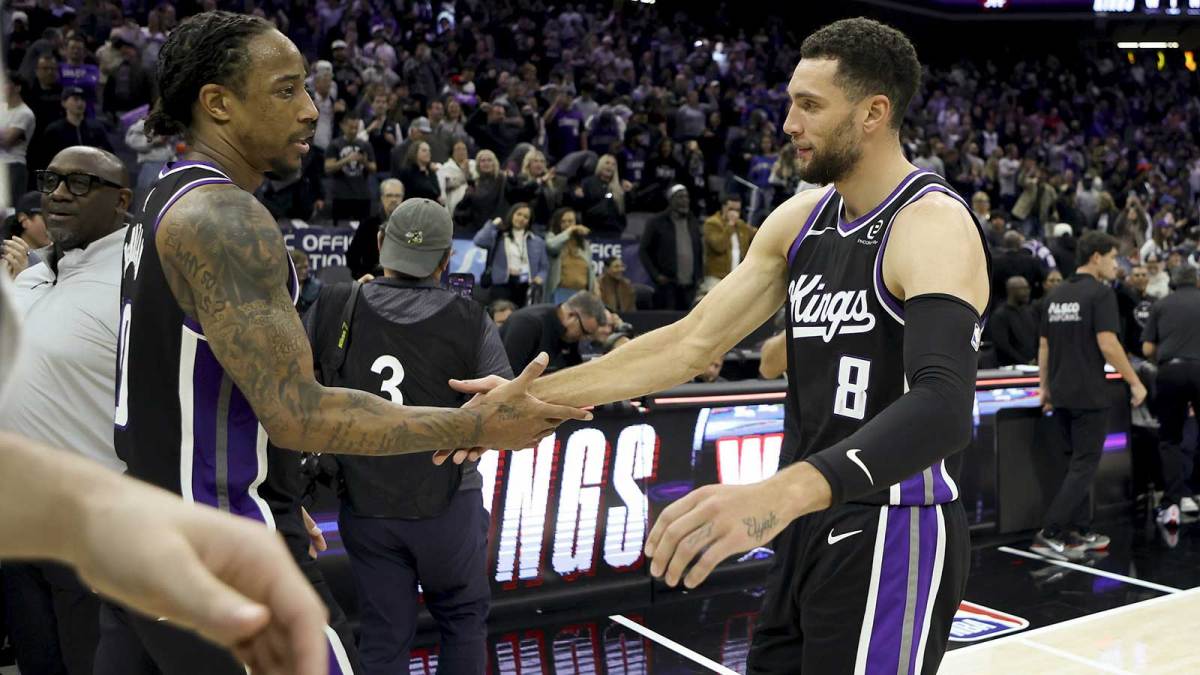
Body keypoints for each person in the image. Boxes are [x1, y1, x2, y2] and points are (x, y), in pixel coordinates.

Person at [449, 19, 990, 674]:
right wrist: (527, 401)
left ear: (875, 113)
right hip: (805, 518)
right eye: (792, 101)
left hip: (891, 524)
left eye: (810, 105)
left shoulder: (931, 223)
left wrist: (780, 493)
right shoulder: (801, 220)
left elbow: (944, 406)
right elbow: (688, 343)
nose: (788, 122)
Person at [109, 12, 588, 674]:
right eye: (287, 89)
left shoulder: (160, 193)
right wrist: (480, 422)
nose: (311, 110)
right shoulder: (223, 216)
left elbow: (192, 380)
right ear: (217, 102)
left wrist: (275, 489)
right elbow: (298, 411)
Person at [305, 199, 508, 674]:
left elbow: (287, 393)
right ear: (447, 260)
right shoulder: (471, 317)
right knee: (461, 619)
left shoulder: (334, 303)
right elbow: (503, 409)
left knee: (385, 633)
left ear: (380, 244)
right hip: (449, 503)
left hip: (365, 504)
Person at [0, 147, 130, 675]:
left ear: (121, 200)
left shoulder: (139, 282)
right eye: (51, 180)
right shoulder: (29, 277)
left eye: (79, 183)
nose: (56, 194)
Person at [1036, 231, 1146, 561]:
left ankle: (1080, 530)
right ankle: (1050, 532)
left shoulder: (1055, 295)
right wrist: (1135, 381)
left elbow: (1044, 347)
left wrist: (1045, 387)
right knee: (1084, 466)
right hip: (1089, 392)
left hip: (1061, 392)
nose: (1116, 264)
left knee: (1075, 465)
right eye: (1113, 257)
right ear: (1096, 257)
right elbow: (1108, 343)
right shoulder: (1100, 293)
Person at [1142, 264, 1200, 526]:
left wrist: (1164, 359)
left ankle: (1173, 503)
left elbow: (1147, 348)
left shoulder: (1160, 305)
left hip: (1171, 372)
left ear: (1173, 283)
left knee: (1170, 439)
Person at [500, 290, 609, 373]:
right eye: (584, 332)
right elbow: (507, 376)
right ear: (571, 316)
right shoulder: (527, 325)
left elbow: (575, 374)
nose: (583, 338)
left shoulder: (569, 335)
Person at [640, 184, 703, 310]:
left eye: (687, 197)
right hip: (667, 285)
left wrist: (699, 275)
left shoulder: (693, 222)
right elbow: (643, 251)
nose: (685, 200)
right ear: (671, 200)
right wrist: (656, 275)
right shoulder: (656, 222)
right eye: (680, 197)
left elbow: (699, 251)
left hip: (690, 286)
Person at [474, 202, 548, 306]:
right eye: (519, 214)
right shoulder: (499, 236)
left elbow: (544, 267)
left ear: (529, 221)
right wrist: (493, 224)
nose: (521, 218)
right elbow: (478, 241)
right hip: (501, 285)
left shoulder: (538, 241)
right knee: (499, 317)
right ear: (512, 214)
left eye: (526, 217)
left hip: (526, 287)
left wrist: (540, 278)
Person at [326, 111, 376, 225]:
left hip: (362, 196)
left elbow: (374, 168)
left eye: (356, 127)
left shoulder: (365, 145)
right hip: (341, 196)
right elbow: (328, 168)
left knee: (364, 231)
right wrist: (347, 160)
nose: (354, 130)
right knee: (339, 230)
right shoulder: (335, 145)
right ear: (343, 126)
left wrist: (364, 161)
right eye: (351, 127)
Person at [346, 178, 403, 279]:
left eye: (397, 195)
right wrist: (362, 276)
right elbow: (352, 256)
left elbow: (417, 246)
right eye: (389, 195)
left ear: (402, 198)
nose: (394, 199)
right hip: (374, 279)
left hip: (403, 279)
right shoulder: (367, 225)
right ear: (382, 198)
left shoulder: (411, 225)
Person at [701, 194, 756, 294]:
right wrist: (730, 225)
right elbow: (719, 246)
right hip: (716, 278)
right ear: (723, 207)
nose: (734, 213)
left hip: (736, 278)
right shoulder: (712, 223)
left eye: (737, 210)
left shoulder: (740, 224)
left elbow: (757, 234)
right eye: (731, 209)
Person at [41, 87, 113, 162]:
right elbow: (46, 159)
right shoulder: (54, 130)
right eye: (75, 99)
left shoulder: (96, 128)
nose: (80, 103)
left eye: (82, 99)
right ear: (63, 103)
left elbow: (109, 155)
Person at [544, 207, 594, 304]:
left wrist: (594, 288)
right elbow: (551, 246)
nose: (567, 224)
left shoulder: (583, 243)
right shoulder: (553, 237)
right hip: (560, 290)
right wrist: (570, 230)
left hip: (581, 292)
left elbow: (589, 268)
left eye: (570, 221)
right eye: (563, 221)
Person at [1, 71, 36, 202]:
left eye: (5, 83)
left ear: (17, 87)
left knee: (10, 208)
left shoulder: (25, 113)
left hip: (14, 165)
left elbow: (7, 141)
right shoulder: (1, 107)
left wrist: (5, 135)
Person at [989, 276, 1037, 366]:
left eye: (1028, 288)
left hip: (1032, 366)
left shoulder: (1029, 312)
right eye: (1023, 289)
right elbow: (1003, 346)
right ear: (1011, 291)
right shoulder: (999, 315)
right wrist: (1024, 362)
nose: (1027, 292)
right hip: (1008, 368)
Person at [990, 230, 1044, 309]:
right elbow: (1041, 282)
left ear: (1004, 244)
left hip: (999, 306)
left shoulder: (994, 262)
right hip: (1027, 306)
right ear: (1020, 244)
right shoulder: (1032, 261)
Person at [2, 191, 50, 278]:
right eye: (46, 218)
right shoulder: (6, 258)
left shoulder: (58, 258)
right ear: (24, 220)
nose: (52, 225)